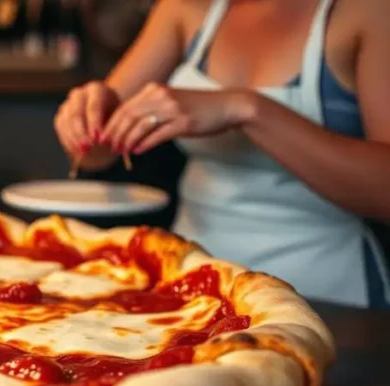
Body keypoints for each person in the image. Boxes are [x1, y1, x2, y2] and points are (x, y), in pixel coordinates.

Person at [53, 0, 390, 309]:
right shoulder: (185, 8)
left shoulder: (367, 12)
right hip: (189, 283)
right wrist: (85, 121)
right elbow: (95, 155)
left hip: (327, 295)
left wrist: (245, 108)